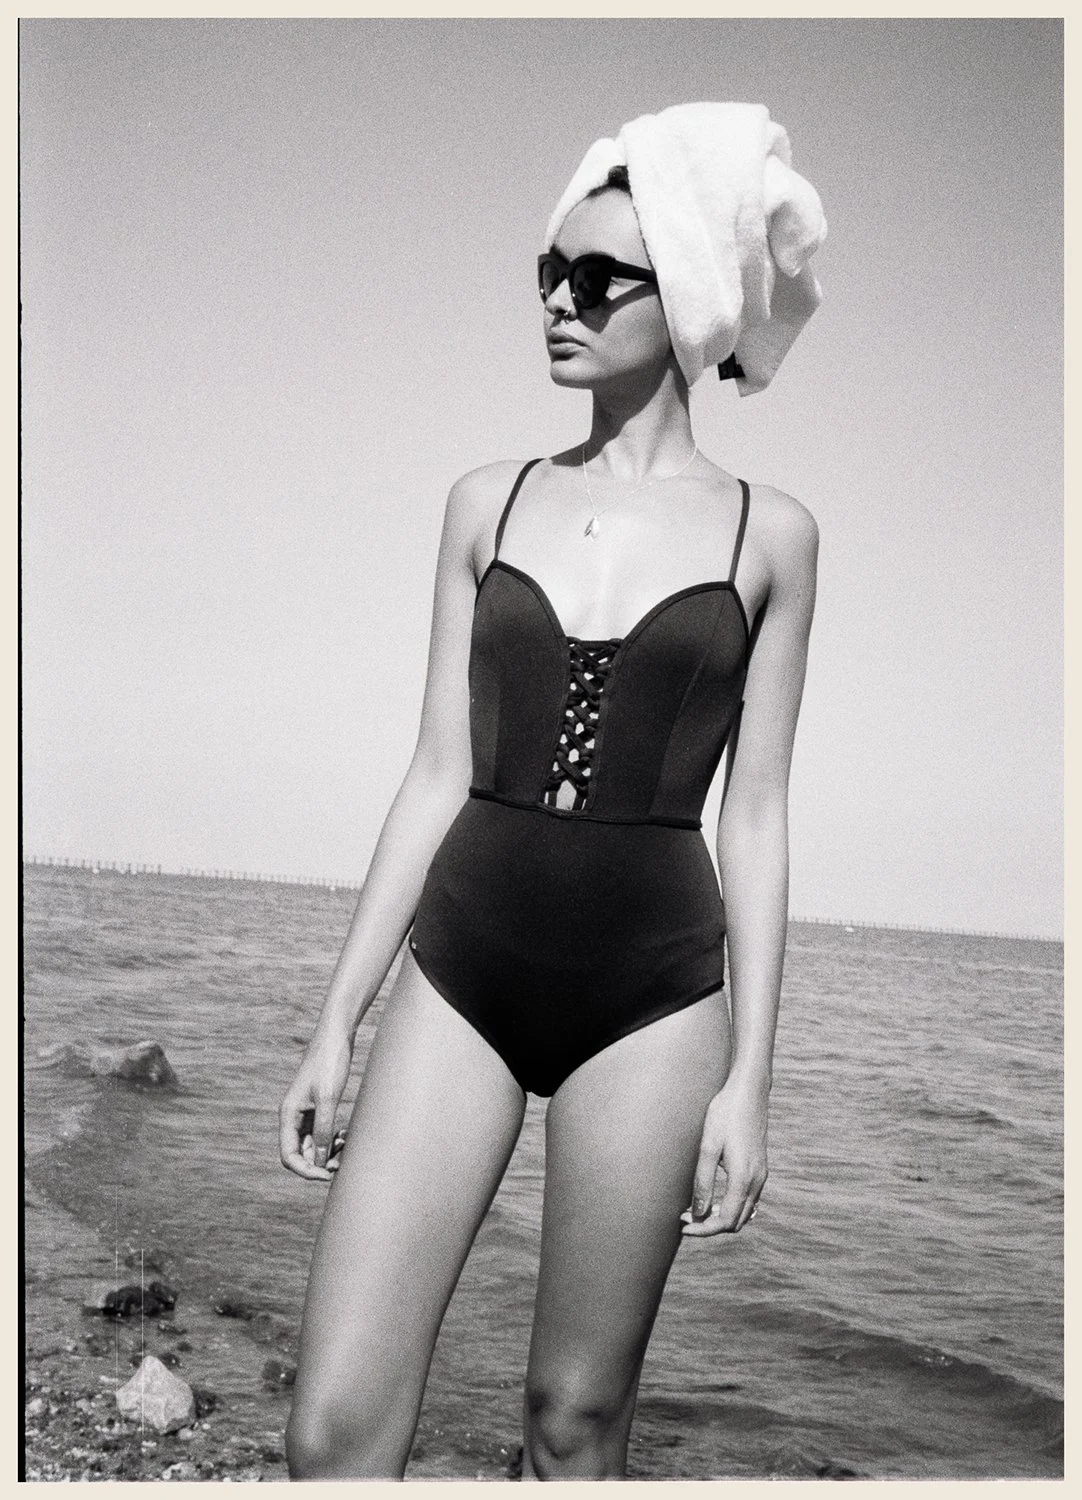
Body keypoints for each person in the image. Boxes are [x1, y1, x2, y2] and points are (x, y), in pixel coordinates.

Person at [279, 102, 826, 1480]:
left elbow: (752, 817)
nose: (559, 303)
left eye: (597, 280)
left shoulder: (774, 536)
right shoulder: (486, 500)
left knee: (570, 1424)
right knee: (331, 1427)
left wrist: (752, 1080)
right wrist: (335, 1024)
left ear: (688, 295)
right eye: (547, 274)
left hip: (654, 997)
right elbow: (433, 770)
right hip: (461, 967)